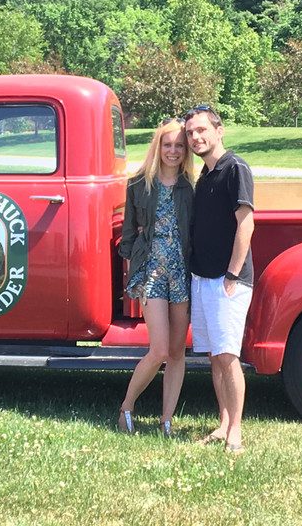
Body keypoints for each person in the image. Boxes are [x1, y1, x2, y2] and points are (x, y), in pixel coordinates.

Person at [117, 118, 197, 437]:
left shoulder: (191, 187)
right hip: (152, 272)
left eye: (179, 145)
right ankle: (126, 407)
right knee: (160, 349)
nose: (173, 151)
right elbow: (127, 233)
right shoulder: (139, 183)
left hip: (182, 272)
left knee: (177, 353)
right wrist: (134, 264)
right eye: (168, 145)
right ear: (157, 147)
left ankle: (167, 421)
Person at [184, 104, 254, 455]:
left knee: (228, 357)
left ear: (219, 130)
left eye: (201, 130)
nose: (196, 137)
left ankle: (236, 432)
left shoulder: (235, 168)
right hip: (203, 278)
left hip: (228, 281)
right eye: (190, 133)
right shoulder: (205, 175)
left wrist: (232, 273)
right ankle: (223, 422)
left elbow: (246, 223)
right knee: (214, 356)